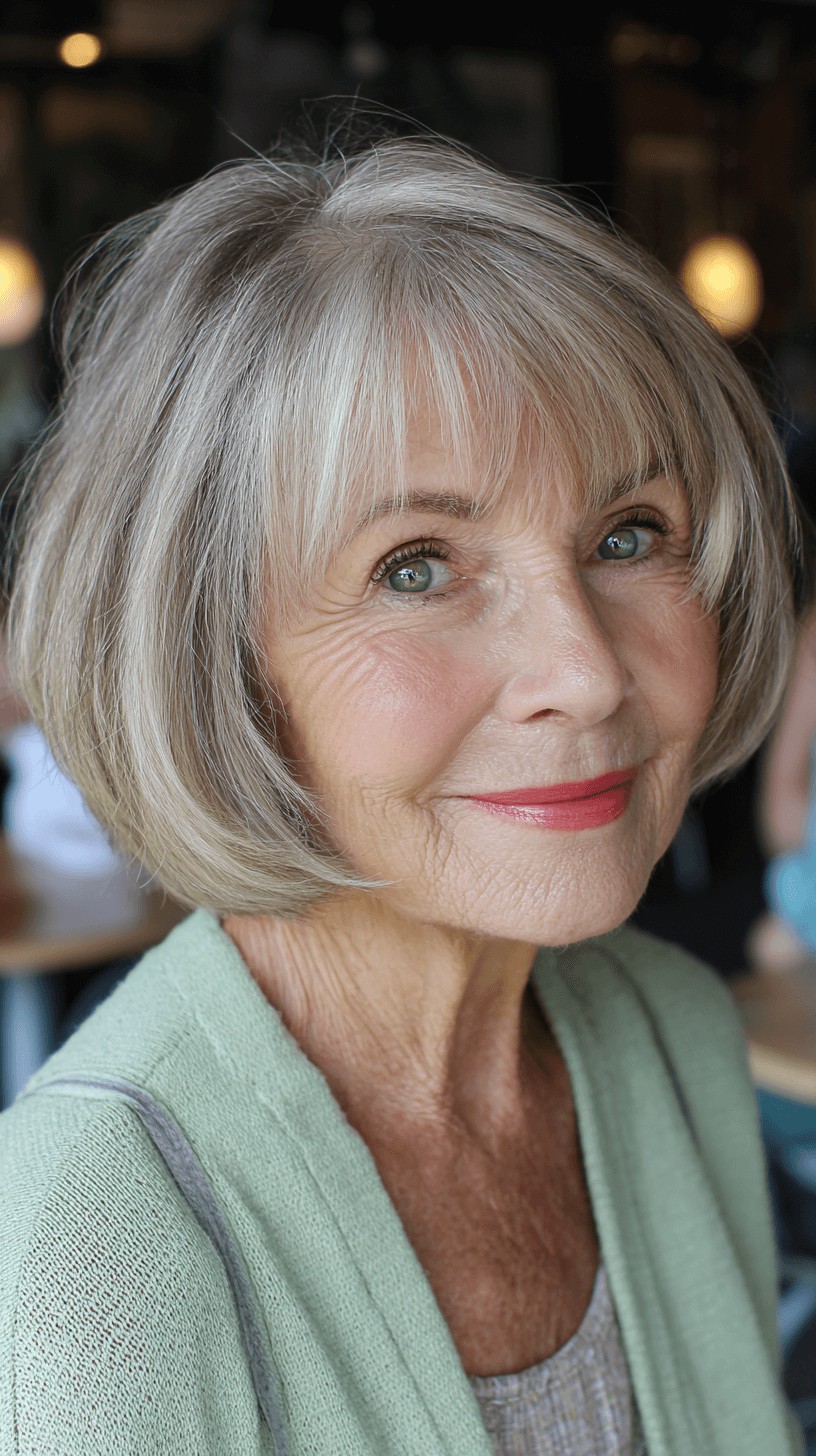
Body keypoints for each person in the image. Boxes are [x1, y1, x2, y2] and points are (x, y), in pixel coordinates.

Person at [0, 126, 811, 1456]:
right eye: (418, 566)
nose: (585, 673)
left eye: (628, 536)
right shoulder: (95, 1230)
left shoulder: (671, 1034)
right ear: (219, 657)